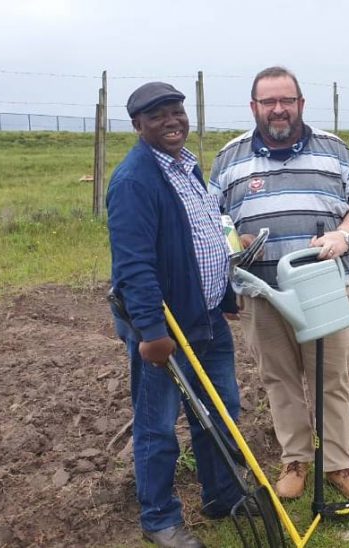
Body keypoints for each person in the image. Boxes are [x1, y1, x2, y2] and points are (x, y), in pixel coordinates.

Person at [209, 66, 349, 503]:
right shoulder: (229, 159)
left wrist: (346, 235)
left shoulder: (335, 150)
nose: (278, 110)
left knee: (331, 380)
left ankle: (341, 466)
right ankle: (295, 461)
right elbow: (212, 223)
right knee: (279, 379)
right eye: (269, 102)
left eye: (287, 100)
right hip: (261, 296)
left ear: (301, 103)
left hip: (322, 290)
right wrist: (233, 246)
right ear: (254, 108)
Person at [107, 81, 243, 548]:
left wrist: (223, 295)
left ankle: (223, 496)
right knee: (158, 427)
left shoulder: (186, 167)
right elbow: (133, 265)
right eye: (158, 115)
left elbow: (203, 237)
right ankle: (160, 520)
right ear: (138, 125)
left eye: (177, 111)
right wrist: (150, 331)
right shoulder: (134, 181)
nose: (172, 121)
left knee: (221, 412)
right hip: (167, 330)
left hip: (207, 319)